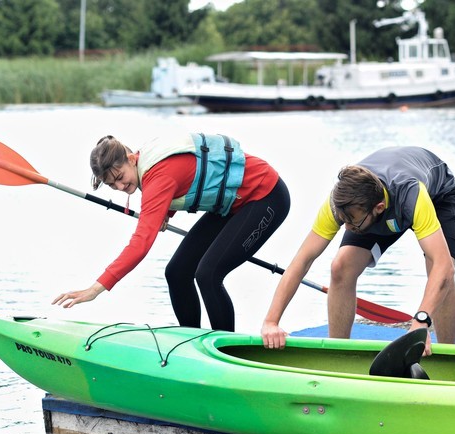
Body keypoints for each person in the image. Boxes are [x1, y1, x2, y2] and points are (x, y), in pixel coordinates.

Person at [53, 133, 290, 332]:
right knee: (177, 272)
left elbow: (140, 244)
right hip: (232, 204)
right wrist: (167, 210)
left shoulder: (157, 178)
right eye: (112, 185)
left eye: (120, 178)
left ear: (130, 158)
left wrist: (96, 289)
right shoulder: (148, 167)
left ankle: (226, 352)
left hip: (265, 196)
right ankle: (192, 341)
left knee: (208, 274)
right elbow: (193, 176)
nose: (120, 187)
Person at [261, 146, 455, 354]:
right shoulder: (341, 205)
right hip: (375, 207)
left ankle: (448, 355)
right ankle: (338, 354)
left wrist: (420, 322)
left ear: (379, 208)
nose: (346, 228)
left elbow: (443, 266)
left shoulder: (411, 195)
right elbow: (302, 261)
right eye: (343, 220)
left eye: (351, 222)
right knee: (341, 266)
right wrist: (271, 321)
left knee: (438, 272)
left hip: (438, 196)